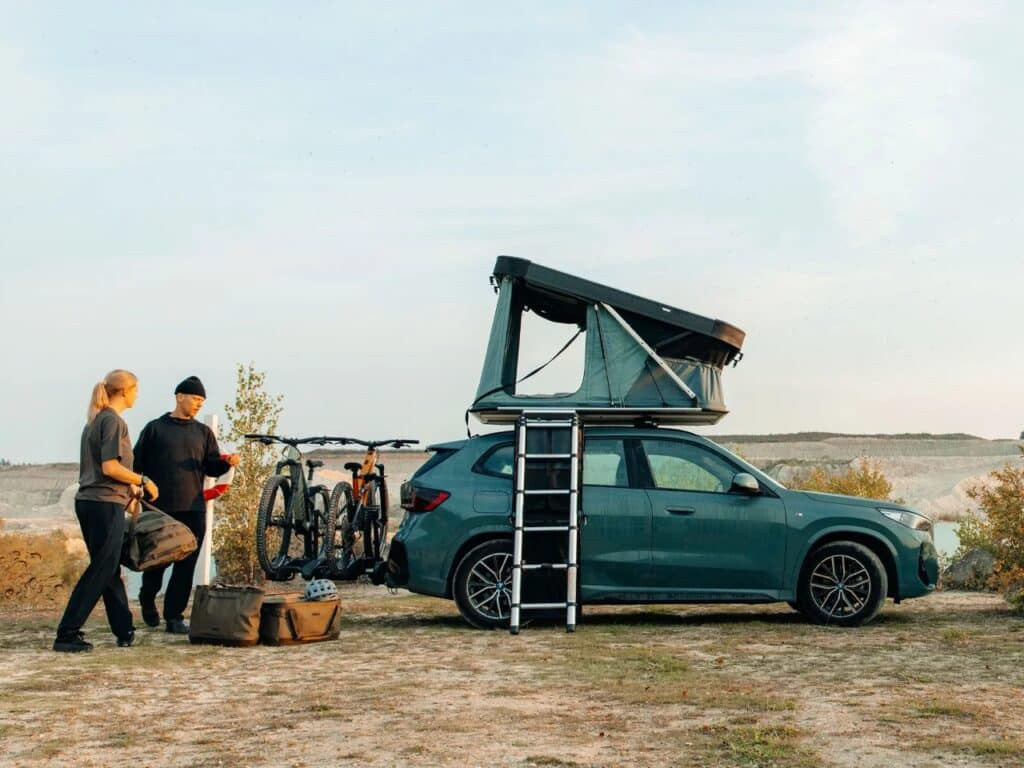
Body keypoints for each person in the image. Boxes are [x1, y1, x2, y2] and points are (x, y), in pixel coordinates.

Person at [54, 370, 160, 652]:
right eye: (136, 390)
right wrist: (142, 481)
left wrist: (130, 492)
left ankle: (124, 629)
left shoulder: (95, 421)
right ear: (125, 391)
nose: (138, 395)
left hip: (92, 501)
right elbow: (110, 467)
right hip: (103, 503)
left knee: (108, 566)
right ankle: (67, 633)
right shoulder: (114, 421)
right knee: (102, 568)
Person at [134, 376, 239, 634]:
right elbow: (136, 466)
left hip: (193, 507)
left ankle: (174, 616)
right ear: (180, 396)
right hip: (159, 508)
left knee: (186, 565)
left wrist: (227, 463)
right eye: (195, 398)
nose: (198, 404)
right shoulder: (154, 429)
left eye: (202, 401)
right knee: (157, 562)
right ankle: (147, 597)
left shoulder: (203, 433)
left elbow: (211, 465)